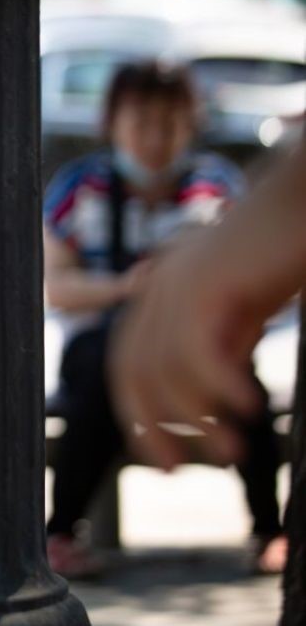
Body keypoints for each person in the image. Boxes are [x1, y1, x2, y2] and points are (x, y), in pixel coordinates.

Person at [41, 61, 285, 578]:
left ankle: (271, 530)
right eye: (141, 122)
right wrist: (127, 290)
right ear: (113, 123)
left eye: (169, 123)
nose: (155, 138)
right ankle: (59, 534)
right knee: (99, 384)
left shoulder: (217, 188)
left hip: (202, 349)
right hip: (97, 351)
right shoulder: (77, 187)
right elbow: (55, 285)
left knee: (248, 398)